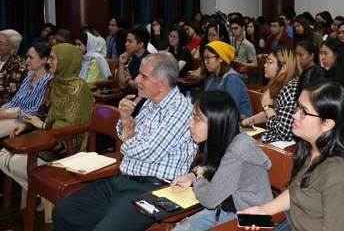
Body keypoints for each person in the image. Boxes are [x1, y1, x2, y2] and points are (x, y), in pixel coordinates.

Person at [52, 52, 198, 230]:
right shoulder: (150, 102)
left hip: (155, 189)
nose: (137, 79)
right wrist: (125, 118)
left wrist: (128, 137)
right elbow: (128, 135)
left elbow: (147, 151)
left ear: (162, 84)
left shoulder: (180, 111)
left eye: (144, 76)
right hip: (123, 178)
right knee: (63, 212)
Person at [239, 80, 344, 231]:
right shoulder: (311, 149)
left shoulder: (341, 174)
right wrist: (264, 210)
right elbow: (298, 191)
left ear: (327, 124)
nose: (295, 115)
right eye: (298, 107)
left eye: (303, 111)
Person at [170, 90, 273, 231]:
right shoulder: (223, 139)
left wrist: (199, 179)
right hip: (226, 209)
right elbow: (207, 166)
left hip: (247, 220)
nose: (190, 124)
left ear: (216, 122)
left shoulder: (236, 151)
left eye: (197, 119)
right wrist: (192, 176)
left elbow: (209, 200)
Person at [0, 43, 94, 190]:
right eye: (49, 58)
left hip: (66, 141)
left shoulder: (77, 87)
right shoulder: (53, 82)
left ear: (66, 61)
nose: (49, 62)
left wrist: (43, 126)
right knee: (2, 157)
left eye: (53, 58)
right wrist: (26, 125)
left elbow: (71, 125)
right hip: (47, 133)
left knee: (13, 164)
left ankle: (42, 192)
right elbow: (42, 111)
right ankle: (38, 192)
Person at [242, 46, 301, 143]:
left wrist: (267, 107)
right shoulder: (281, 85)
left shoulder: (291, 89)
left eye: (270, 62)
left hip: (281, 146)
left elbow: (284, 132)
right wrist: (254, 119)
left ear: (283, 68)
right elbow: (276, 114)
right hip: (272, 141)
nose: (265, 65)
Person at [0, 43, 53, 138]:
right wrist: (3, 110)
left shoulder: (48, 82)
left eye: (31, 58)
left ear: (44, 60)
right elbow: (14, 101)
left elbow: (37, 110)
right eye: (27, 57)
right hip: (14, 113)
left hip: (27, 121)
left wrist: (8, 115)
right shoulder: (29, 77)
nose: (27, 60)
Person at [202, 41, 253, 119]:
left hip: (239, 123)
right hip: (217, 118)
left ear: (220, 58)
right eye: (204, 58)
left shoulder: (233, 80)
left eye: (208, 58)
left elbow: (230, 110)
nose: (205, 62)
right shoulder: (212, 77)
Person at [117, 26, 151, 95]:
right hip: (129, 97)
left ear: (141, 44)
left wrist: (128, 79)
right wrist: (121, 64)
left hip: (142, 100)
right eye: (126, 41)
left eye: (130, 42)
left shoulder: (149, 61)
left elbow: (140, 86)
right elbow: (122, 85)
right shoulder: (133, 60)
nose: (126, 44)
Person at [0, 29, 28, 106]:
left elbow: (7, 95)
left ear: (13, 48)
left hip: (7, 107)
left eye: (1, 43)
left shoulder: (18, 66)